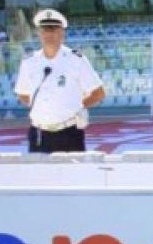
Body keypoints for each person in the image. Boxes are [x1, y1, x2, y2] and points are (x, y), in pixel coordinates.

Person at [14, 9, 105, 153]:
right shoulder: (29, 62)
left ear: (62, 32)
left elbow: (98, 93)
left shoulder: (75, 60)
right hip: (39, 133)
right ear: (39, 33)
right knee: (39, 175)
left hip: (69, 132)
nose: (49, 34)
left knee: (72, 175)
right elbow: (23, 93)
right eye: (45, 29)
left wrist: (76, 106)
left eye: (54, 29)